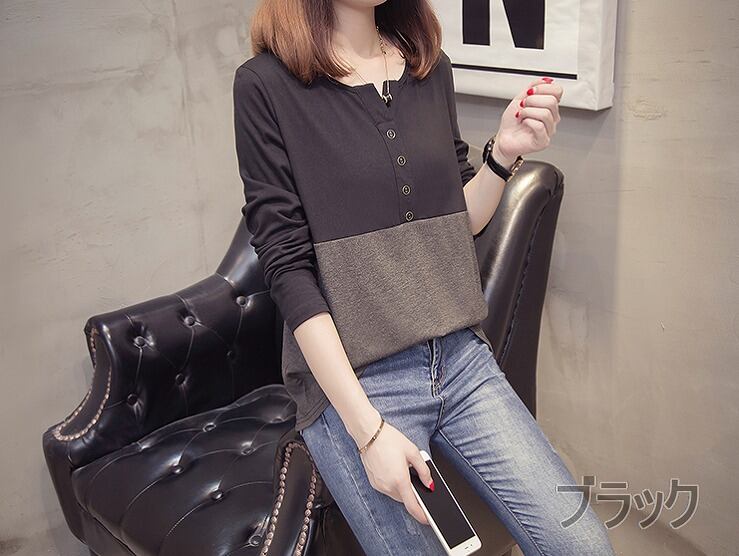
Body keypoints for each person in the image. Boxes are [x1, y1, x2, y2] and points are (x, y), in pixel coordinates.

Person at [233, 1, 616, 554]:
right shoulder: (266, 85)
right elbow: (287, 265)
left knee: (583, 546)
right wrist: (368, 433)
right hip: (358, 380)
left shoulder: (426, 66)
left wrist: (503, 154)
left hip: (460, 360)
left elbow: (461, 217)